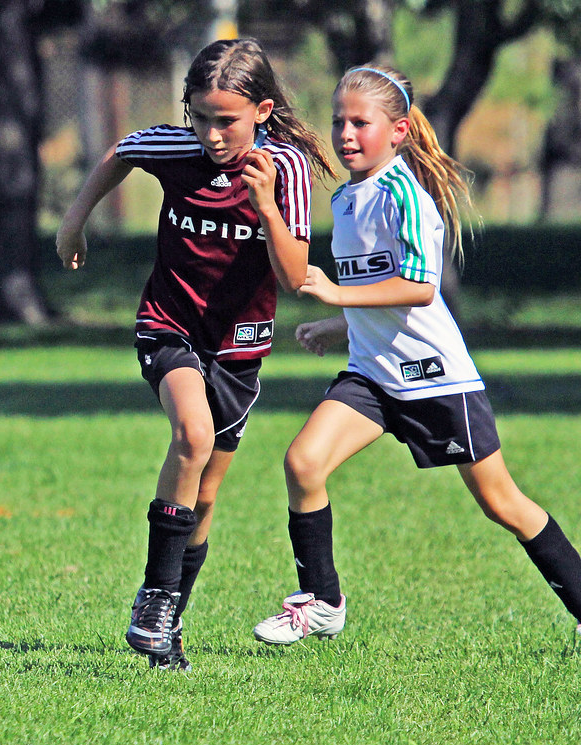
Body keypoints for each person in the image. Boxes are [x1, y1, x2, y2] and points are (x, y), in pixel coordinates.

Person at [253, 65, 581, 645]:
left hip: (435, 379)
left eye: (361, 122)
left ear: (399, 130)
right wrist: (340, 322)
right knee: (304, 463)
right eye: (339, 121)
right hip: (372, 377)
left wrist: (336, 294)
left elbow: (419, 288)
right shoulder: (350, 199)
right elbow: (379, 287)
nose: (346, 134)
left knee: (502, 503)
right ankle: (323, 602)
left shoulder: (404, 194)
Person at [56, 38, 336, 671]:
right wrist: (73, 223)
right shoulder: (172, 147)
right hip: (168, 324)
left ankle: (167, 631)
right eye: (200, 117)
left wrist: (264, 209)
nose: (210, 134)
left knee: (205, 497)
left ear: (263, 110)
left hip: (239, 343)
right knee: (192, 434)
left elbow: (294, 279)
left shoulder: (284, 170)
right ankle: (153, 600)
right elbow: (120, 154)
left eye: (226, 120)